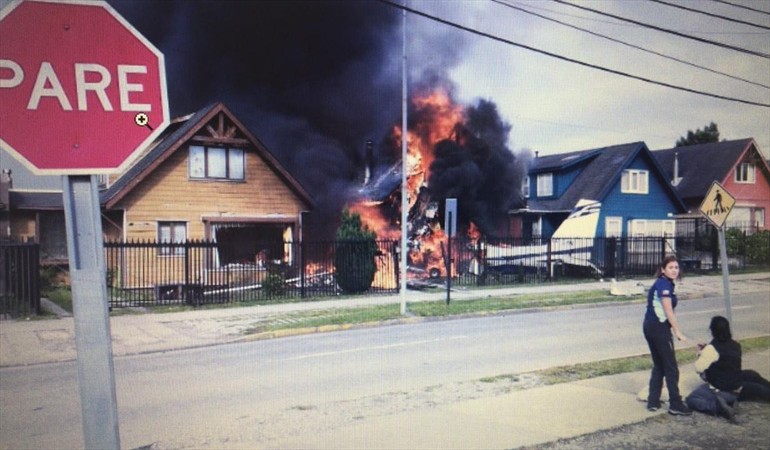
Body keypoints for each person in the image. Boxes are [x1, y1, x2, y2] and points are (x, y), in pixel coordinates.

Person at [686, 316, 770, 423]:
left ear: (712, 331)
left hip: (722, 388)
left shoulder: (711, 349)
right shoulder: (735, 345)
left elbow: (698, 368)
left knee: (691, 399)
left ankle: (717, 407)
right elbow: (724, 356)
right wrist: (707, 350)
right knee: (752, 375)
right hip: (737, 384)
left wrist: (700, 353)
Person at [643, 255, 692, 415]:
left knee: (660, 364)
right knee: (671, 367)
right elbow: (668, 310)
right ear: (663, 269)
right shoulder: (663, 284)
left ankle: (653, 401)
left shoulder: (665, 283)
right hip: (657, 328)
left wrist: (672, 328)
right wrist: (677, 331)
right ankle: (675, 404)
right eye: (671, 267)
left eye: (676, 267)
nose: (674, 270)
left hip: (651, 326)